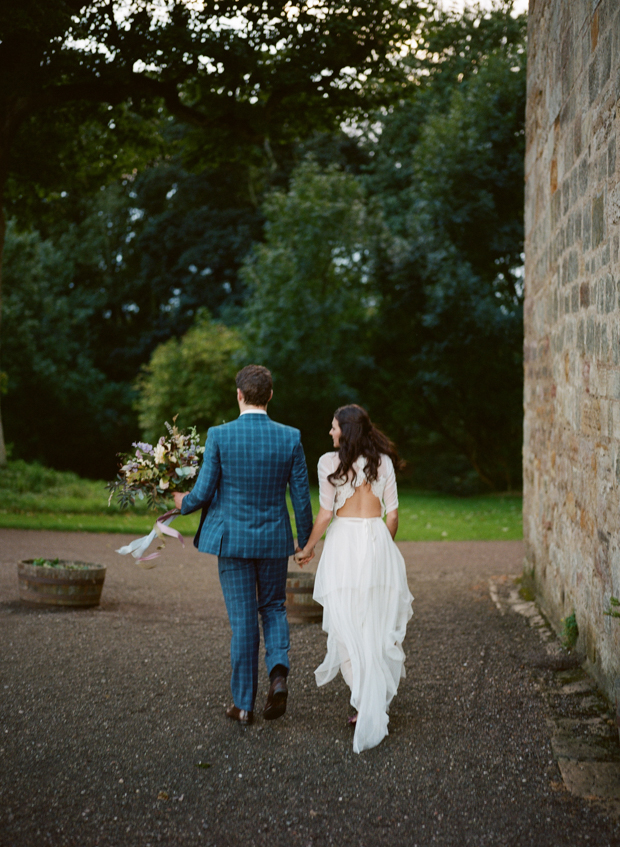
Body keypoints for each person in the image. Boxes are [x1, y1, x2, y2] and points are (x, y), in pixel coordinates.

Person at [174, 365, 314, 726]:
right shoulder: (291, 437)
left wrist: (180, 502)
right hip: (273, 540)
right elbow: (301, 498)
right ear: (270, 395)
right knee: (274, 607)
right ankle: (278, 673)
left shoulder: (219, 435)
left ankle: (243, 705)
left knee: (243, 621)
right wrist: (306, 541)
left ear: (239, 395)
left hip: (232, 540)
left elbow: (203, 492)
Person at [295, 404, 413, 753]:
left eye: (333, 427)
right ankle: (372, 703)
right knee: (374, 626)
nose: (330, 433)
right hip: (378, 545)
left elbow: (326, 514)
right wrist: (382, 551)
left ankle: (365, 705)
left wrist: (308, 548)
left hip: (345, 547)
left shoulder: (328, 463)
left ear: (346, 430)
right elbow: (392, 516)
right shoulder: (384, 463)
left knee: (347, 626)